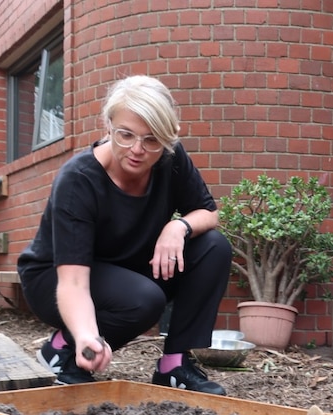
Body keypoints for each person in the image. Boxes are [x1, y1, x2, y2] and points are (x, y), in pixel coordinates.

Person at [18, 75, 232, 395]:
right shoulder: (78, 180)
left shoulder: (170, 159)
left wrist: (178, 226)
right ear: (108, 125)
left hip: (126, 269)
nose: (137, 150)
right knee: (143, 300)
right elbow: (73, 283)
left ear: (168, 137)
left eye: (151, 140)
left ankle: (174, 365)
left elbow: (208, 213)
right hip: (56, 277)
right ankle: (62, 349)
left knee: (213, 247)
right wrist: (88, 333)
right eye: (126, 135)